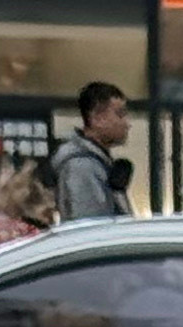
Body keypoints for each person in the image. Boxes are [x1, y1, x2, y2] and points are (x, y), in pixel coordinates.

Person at [45, 82, 136, 226]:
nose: (127, 123)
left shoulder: (95, 162)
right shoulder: (81, 166)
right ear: (97, 119)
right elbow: (90, 230)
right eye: (120, 114)